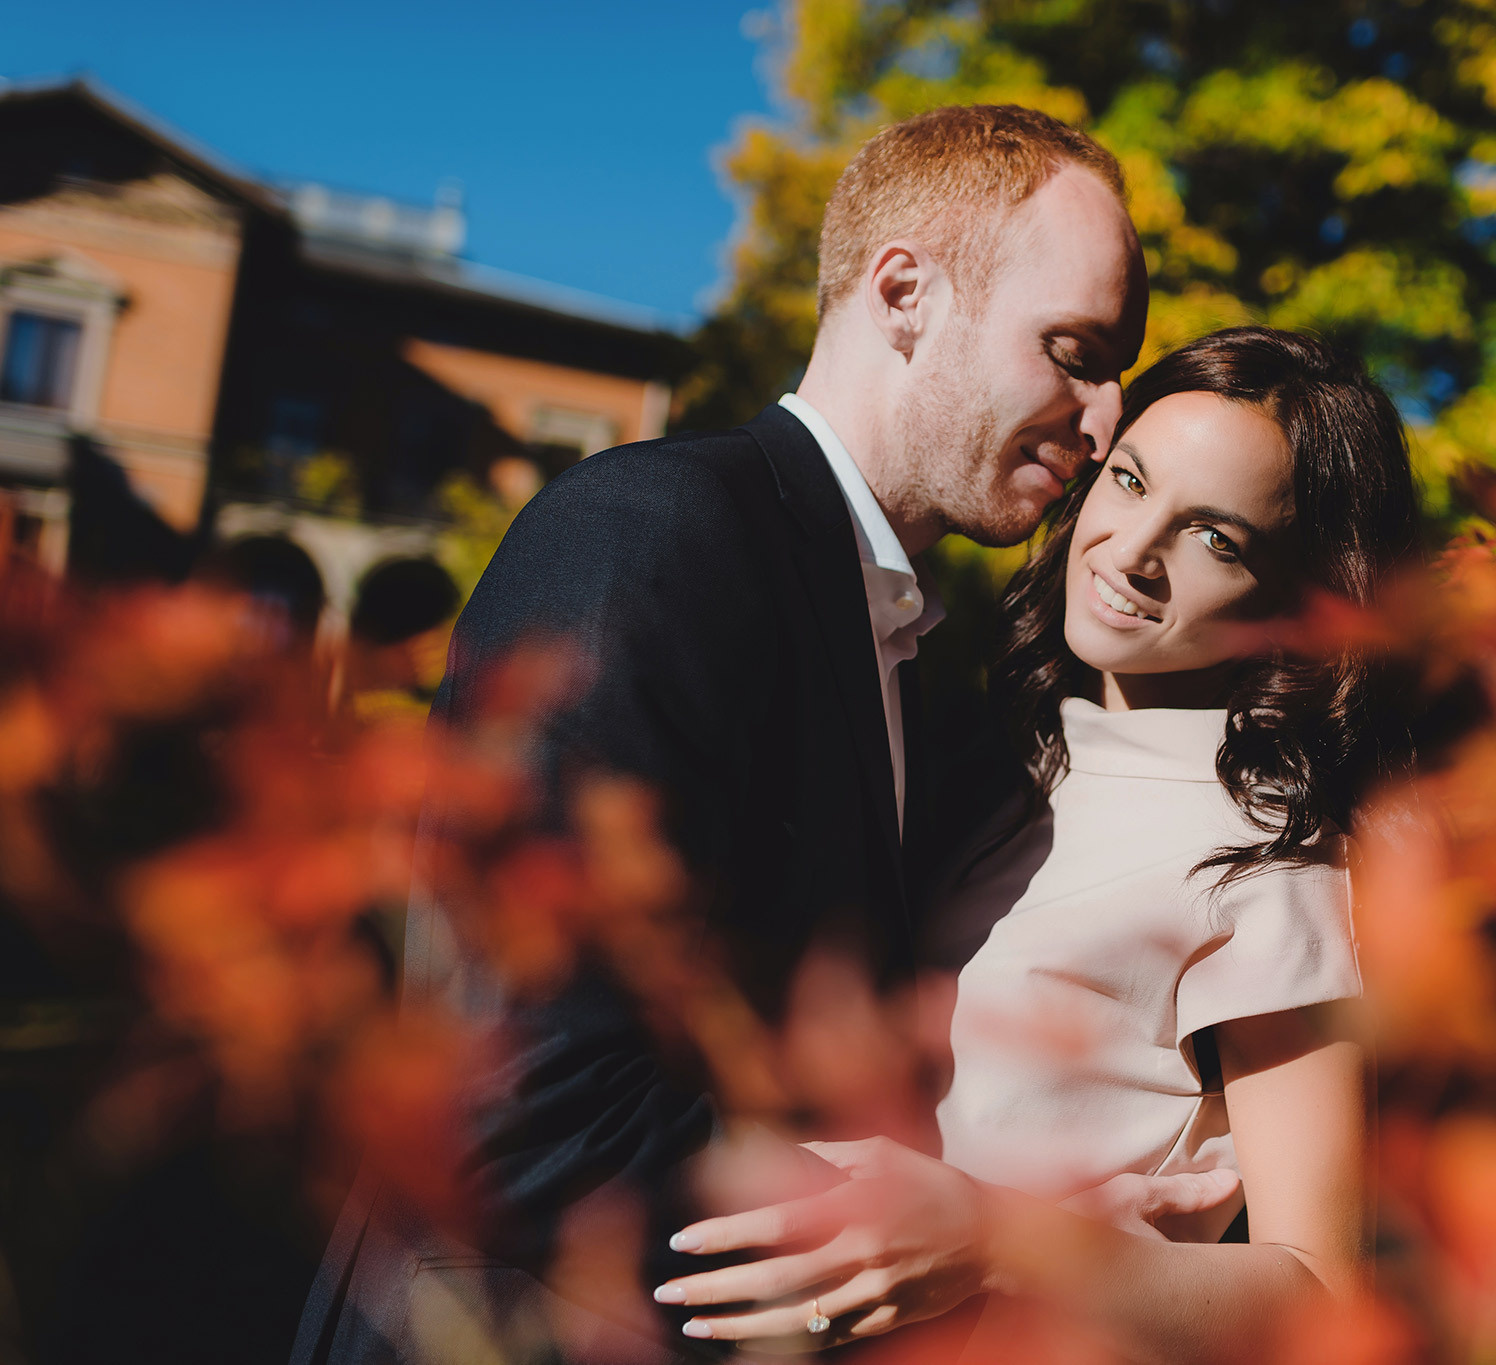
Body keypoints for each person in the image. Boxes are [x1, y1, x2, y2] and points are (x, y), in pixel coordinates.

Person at [287, 104, 1218, 1365]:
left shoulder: (897, 646)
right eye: (1071, 350)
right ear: (904, 292)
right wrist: (964, 1252)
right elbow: (521, 1109)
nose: (1103, 420)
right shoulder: (653, 535)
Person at [655, 326, 1420, 1364]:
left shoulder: (1267, 854)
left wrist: (999, 1240)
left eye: (1216, 538)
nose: (1132, 554)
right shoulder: (978, 757)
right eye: (1129, 481)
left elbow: (1324, 1297)